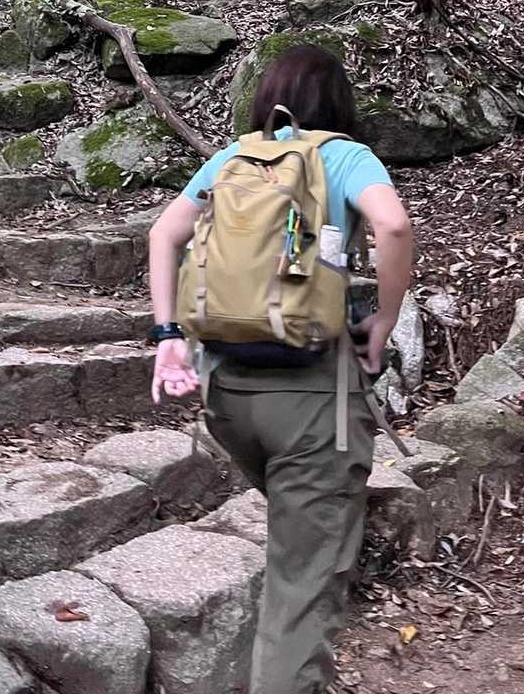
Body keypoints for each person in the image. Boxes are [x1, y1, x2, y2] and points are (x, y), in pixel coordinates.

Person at [147, 44, 414, 694]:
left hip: (228, 397)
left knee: (303, 546)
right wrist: (383, 320)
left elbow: (163, 234)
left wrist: (168, 336)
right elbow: (394, 227)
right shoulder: (344, 156)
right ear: (338, 101)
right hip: (312, 401)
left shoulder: (233, 158)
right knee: (300, 588)